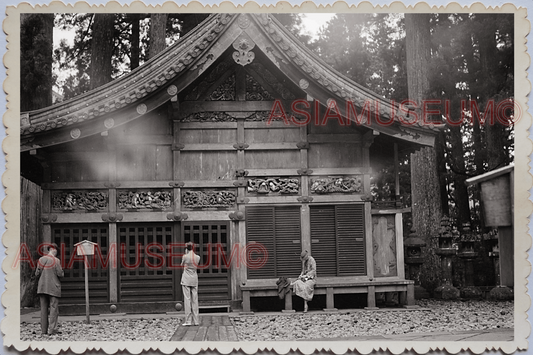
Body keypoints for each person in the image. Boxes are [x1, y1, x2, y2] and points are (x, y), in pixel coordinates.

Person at [35, 243, 64, 335]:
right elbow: (60, 274)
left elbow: (37, 274)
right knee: (53, 308)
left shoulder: (41, 259)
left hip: (42, 287)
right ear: (54, 250)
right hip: (53, 287)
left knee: (43, 309)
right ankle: (52, 330)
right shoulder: (56, 261)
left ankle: (43, 330)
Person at [180, 242, 201, 326]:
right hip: (194, 278)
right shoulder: (197, 257)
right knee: (195, 300)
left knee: (187, 299)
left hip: (186, 279)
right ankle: (196, 320)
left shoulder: (185, 256)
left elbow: (182, 264)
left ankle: (188, 321)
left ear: (186, 248)